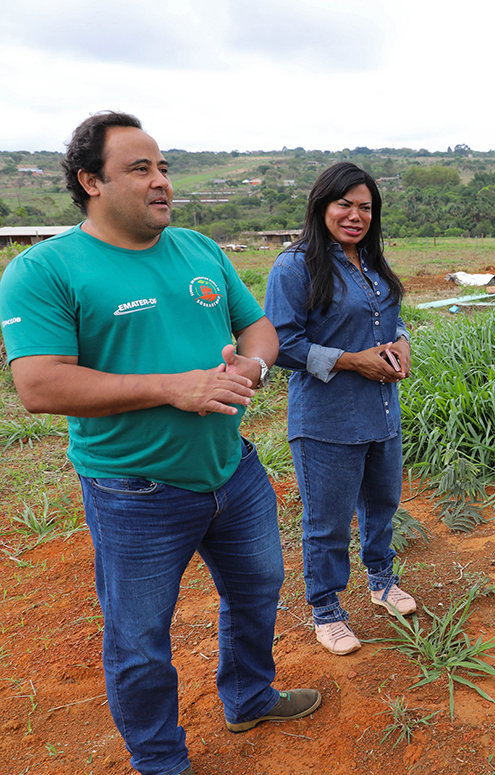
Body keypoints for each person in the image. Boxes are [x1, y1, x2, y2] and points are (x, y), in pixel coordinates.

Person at [0, 111, 319, 775]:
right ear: (91, 180)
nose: (161, 182)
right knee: (141, 639)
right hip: (134, 492)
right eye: (140, 168)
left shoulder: (199, 249)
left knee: (259, 590)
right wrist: (173, 387)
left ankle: (249, 696)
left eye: (164, 167)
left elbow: (258, 327)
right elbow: (39, 383)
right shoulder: (44, 269)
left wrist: (251, 367)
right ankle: (160, 759)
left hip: (232, 471)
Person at [264, 162, 417, 657]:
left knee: (382, 505)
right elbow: (282, 343)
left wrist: (403, 342)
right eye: (344, 204)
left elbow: (391, 323)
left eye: (365, 207)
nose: (355, 215)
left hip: (381, 412)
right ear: (321, 206)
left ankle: (382, 581)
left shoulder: (371, 264)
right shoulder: (295, 266)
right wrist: (352, 362)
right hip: (327, 420)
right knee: (327, 523)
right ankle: (327, 609)